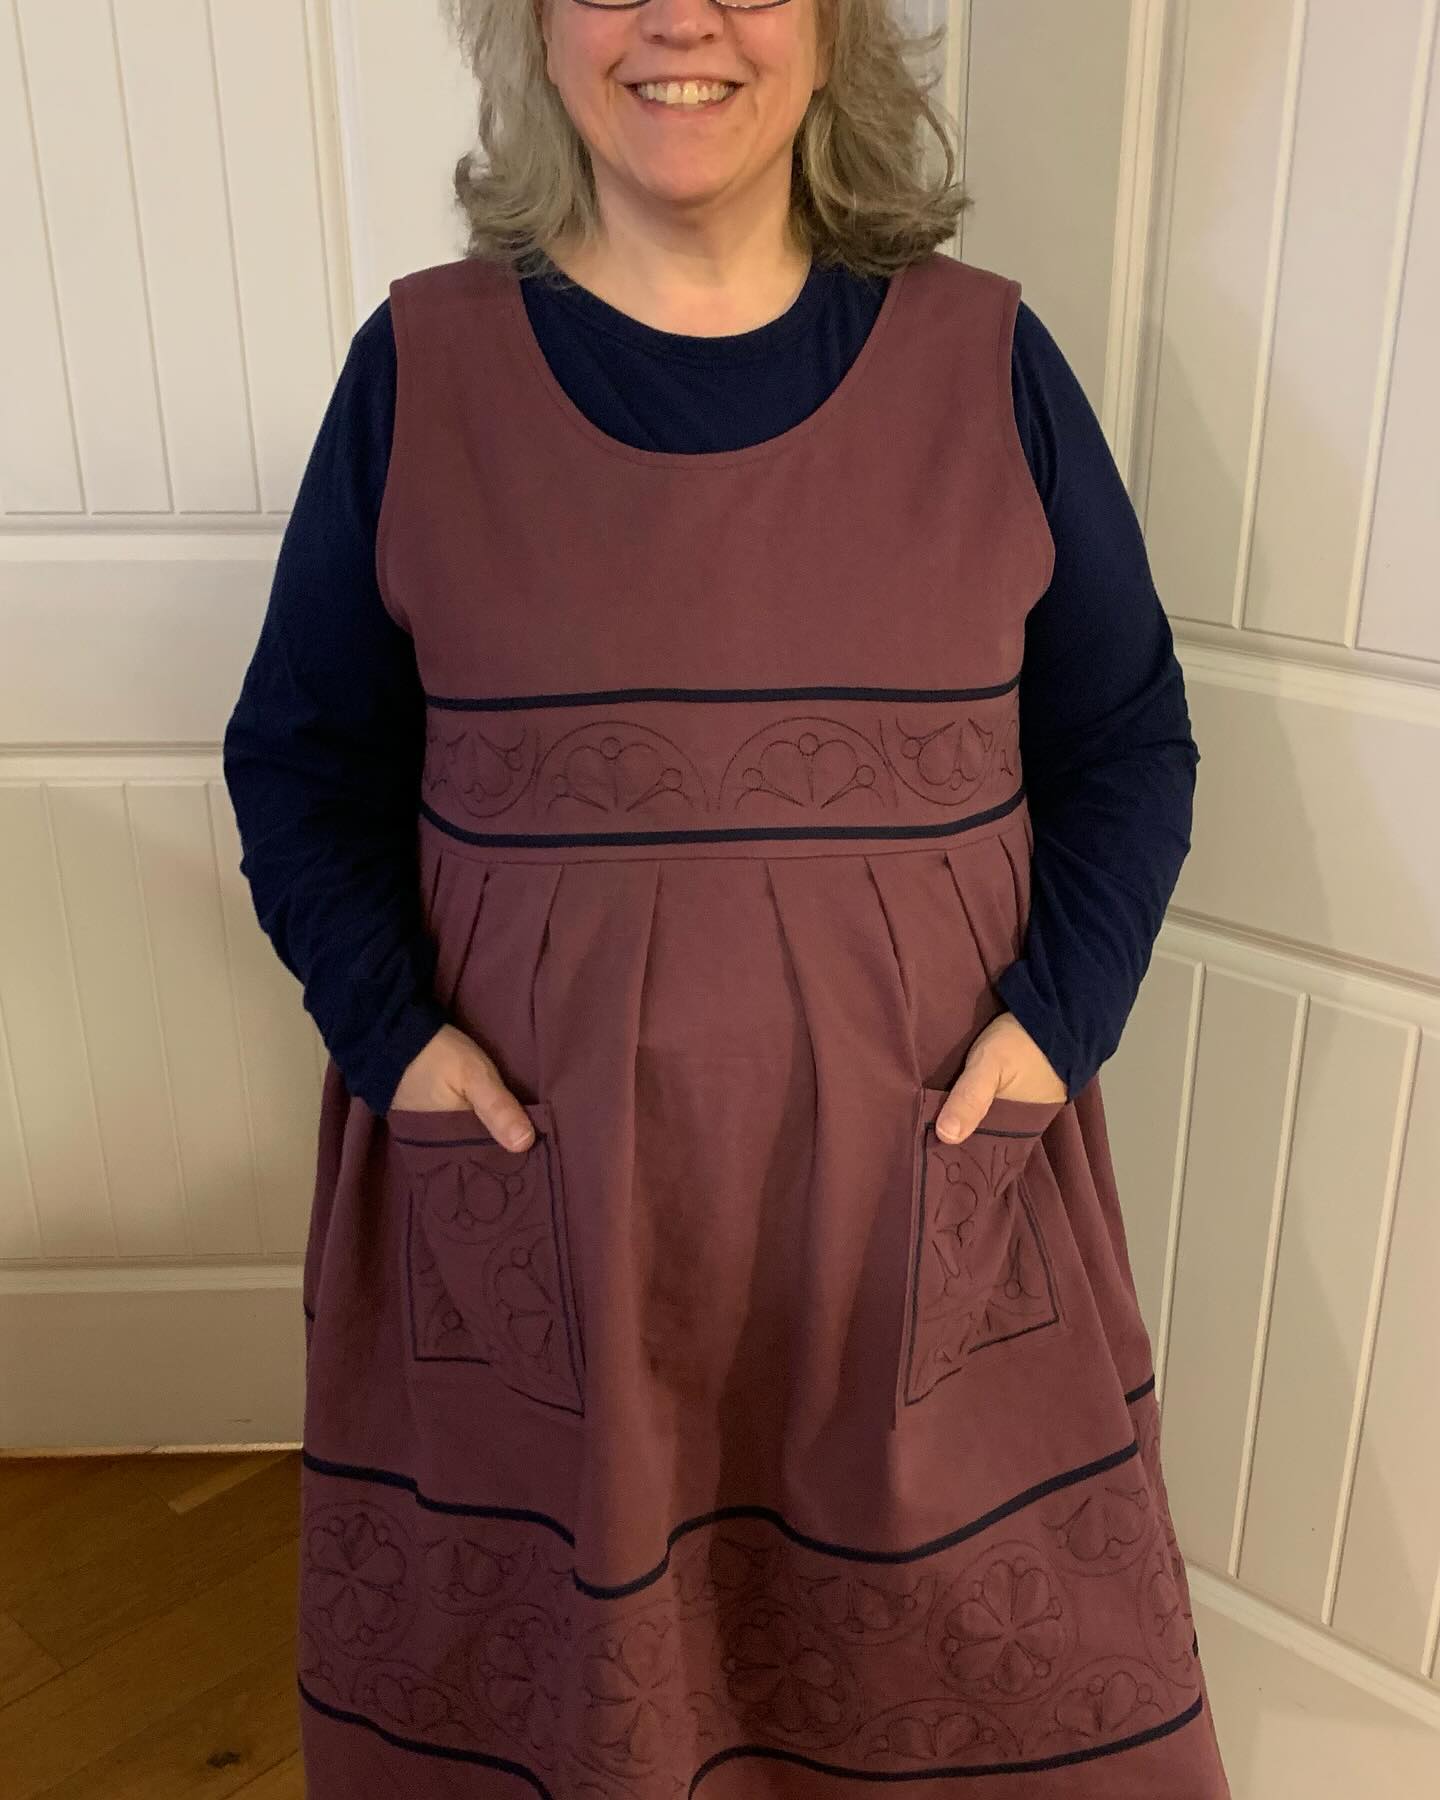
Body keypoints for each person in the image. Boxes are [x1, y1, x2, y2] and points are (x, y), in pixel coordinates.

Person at [223, 0, 1233, 1793]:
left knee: (987, 1695)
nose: (680, 18)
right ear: (539, 31)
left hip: (918, 1216)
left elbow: (1127, 740)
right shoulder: (419, 374)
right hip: (552, 1224)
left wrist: (1054, 1026)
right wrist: (396, 1044)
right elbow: (300, 764)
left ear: (834, 34)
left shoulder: (989, 363)